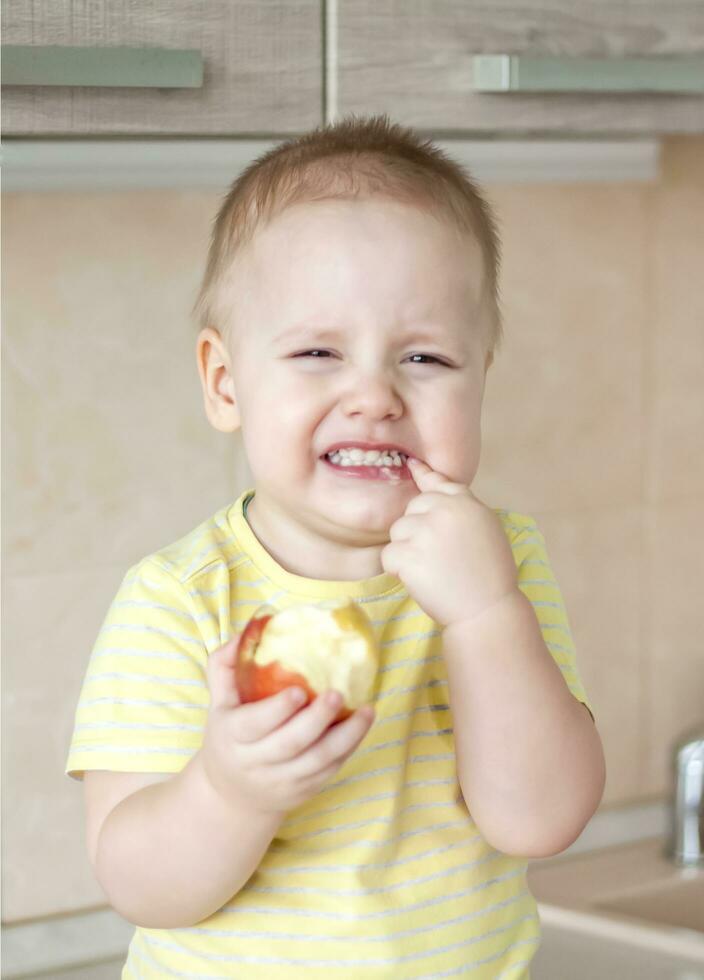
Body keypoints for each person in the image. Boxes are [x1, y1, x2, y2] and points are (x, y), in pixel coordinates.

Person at [66, 113, 606, 979]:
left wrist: (485, 614)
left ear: (483, 376)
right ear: (224, 381)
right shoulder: (180, 596)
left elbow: (539, 821)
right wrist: (231, 789)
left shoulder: (498, 563)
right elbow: (140, 885)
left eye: (425, 358)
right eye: (319, 351)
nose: (374, 397)